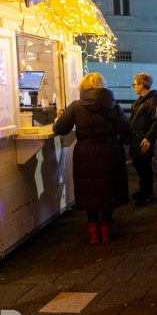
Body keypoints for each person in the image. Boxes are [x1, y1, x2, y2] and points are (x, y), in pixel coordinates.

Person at [53, 73, 130, 245]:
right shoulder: (113, 106)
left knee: (90, 190)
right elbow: (126, 130)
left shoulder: (75, 107)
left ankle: (94, 233)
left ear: (83, 87)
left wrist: (60, 117)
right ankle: (106, 229)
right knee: (108, 189)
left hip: (85, 154)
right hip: (110, 153)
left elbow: (60, 129)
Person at [130, 72, 157, 206]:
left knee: (144, 167)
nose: (133, 86)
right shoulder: (142, 99)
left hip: (145, 140)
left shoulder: (154, 100)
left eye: (135, 84)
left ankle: (148, 193)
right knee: (138, 164)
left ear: (142, 85)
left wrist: (149, 138)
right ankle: (143, 188)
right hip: (137, 138)